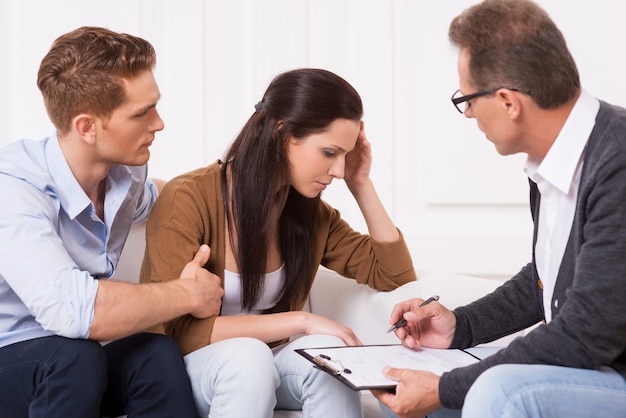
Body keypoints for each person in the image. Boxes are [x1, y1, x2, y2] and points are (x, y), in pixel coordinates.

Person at [373, 1, 626, 417]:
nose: (469, 113)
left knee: (500, 392)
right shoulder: (552, 164)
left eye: (468, 99)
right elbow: (546, 280)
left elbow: (585, 331)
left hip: (608, 368)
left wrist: (447, 387)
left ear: (508, 101)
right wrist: (461, 326)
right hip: (593, 368)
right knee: (401, 392)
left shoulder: (615, 159)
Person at [139, 67, 417, 417]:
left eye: (345, 156)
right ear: (284, 133)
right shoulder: (188, 198)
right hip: (190, 369)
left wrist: (361, 183)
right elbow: (170, 329)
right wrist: (298, 321)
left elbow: (394, 275)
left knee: (328, 356)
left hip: (265, 364)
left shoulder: (310, 215)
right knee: (248, 356)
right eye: (330, 153)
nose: (339, 170)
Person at [0, 26, 223, 418]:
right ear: (87, 127)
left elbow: (168, 200)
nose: (159, 123)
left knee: (154, 352)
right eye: (142, 113)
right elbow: (72, 310)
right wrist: (187, 294)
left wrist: (241, 189)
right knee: (73, 356)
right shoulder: (14, 191)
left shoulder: (126, 174)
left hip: (72, 362)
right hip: (13, 358)